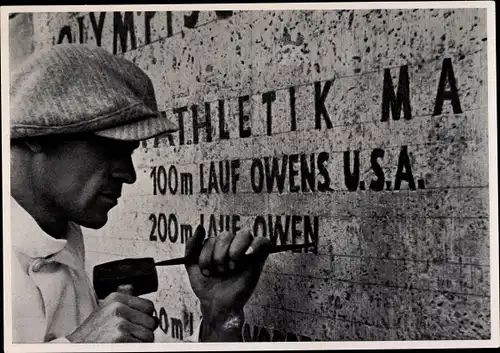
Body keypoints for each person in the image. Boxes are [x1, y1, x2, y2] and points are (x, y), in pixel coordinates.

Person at [9, 43, 271, 343]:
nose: (129, 174)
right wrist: (81, 346)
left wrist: (220, 315)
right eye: (110, 148)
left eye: (130, 152)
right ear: (37, 136)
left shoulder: (61, 241)